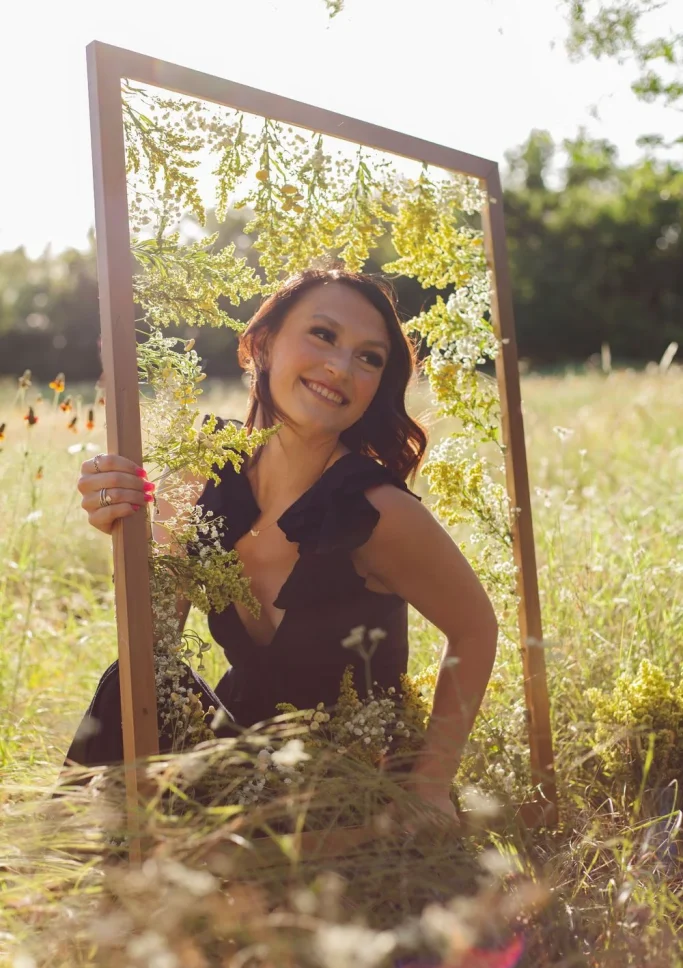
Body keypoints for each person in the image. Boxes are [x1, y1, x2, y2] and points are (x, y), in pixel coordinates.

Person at [68, 267, 499, 822]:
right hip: (235, 754)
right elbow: (154, 647)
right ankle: (91, 869)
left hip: (348, 780)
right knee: (128, 681)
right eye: (323, 334)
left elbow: (475, 628)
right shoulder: (199, 472)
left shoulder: (376, 511)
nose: (341, 367)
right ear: (261, 345)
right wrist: (125, 534)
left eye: (369, 358)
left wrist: (432, 784)